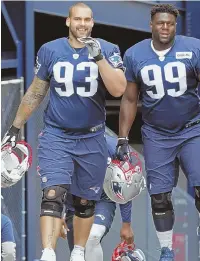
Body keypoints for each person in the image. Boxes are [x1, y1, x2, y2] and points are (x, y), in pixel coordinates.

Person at [2, 2, 127, 261]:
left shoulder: (107, 49)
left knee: (84, 202)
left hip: (92, 137)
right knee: (52, 195)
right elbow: (37, 91)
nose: (82, 24)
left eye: (87, 20)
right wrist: (15, 126)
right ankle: (48, 253)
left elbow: (118, 89)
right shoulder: (50, 50)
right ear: (68, 21)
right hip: (57, 134)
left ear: (92, 23)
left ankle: (78, 253)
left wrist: (99, 57)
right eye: (77, 19)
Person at [116, 4, 200, 261]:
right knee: (159, 197)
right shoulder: (135, 54)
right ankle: (167, 249)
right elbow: (130, 99)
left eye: (170, 23)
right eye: (160, 23)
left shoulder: (193, 48)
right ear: (151, 25)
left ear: (175, 25)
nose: (165, 27)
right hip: (157, 134)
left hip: (191, 130)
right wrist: (123, 136)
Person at [64, 135, 138, 261]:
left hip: (102, 199)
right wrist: (60, 212)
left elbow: (125, 185)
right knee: (78, 253)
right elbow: (57, 183)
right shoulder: (64, 144)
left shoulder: (113, 147)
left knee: (92, 236)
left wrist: (126, 223)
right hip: (74, 204)